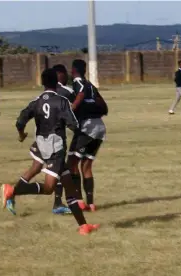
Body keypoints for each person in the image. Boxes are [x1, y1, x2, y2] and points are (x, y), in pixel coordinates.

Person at [0, 68, 99, 235]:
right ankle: (13, 190)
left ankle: (83, 226)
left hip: (41, 143)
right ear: (57, 82)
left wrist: (21, 134)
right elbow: (73, 124)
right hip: (56, 148)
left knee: (70, 189)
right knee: (49, 188)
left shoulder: (36, 101)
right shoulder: (61, 101)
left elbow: (20, 120)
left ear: (43, 83)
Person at [24, 64, 75, 215]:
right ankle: (13, 191)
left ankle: (59, 203)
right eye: (65, 74)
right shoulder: (66, 92)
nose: (67, 77)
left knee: (37, 168)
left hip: (40, 136)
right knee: (55, 171)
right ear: (60, 75)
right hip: (53, 139)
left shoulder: (41, 96)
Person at [68, 59, 108, 212]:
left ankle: (79, 201)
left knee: (71, 163)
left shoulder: (78, 83)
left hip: (87, 127)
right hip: (99, 127)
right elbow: (105, 108)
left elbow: (80, 96)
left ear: (73, 71)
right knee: (86, 165)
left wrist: (71, 111)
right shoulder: (91, 85)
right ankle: (91, 204)